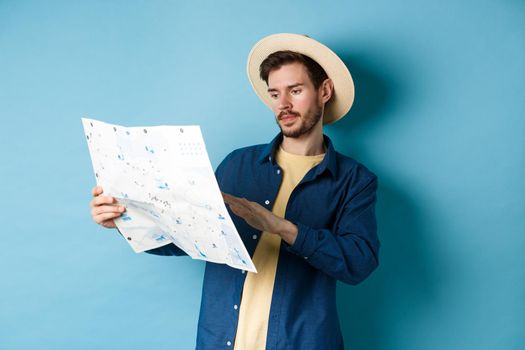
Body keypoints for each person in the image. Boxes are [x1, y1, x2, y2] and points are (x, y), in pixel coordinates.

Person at [90, 33, 379, 349]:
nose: (283, 104)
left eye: (295, 91)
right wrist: (126, 219)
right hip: (220, 341)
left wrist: (280, 227)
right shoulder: (237, 165)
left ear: (324, 91)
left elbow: (358, 263)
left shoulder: (354, 180)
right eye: (274, 94)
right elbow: (187, 238)